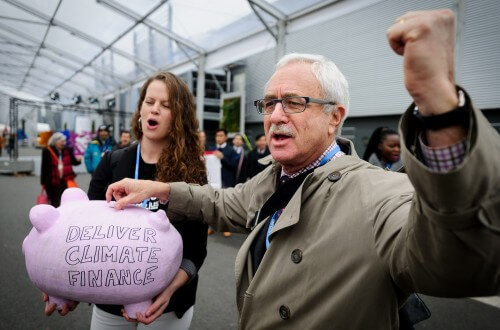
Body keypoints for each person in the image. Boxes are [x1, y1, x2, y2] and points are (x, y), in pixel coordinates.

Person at [106, 10, 499, 329]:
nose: (274, 116)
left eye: (293, 102)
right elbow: (224, 203)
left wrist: (440, 111)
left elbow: (457, 263)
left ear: (334, 118)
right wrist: (159, 190)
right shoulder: (275, 178)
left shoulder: (380, 191)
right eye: (268, 103)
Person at [43, 72, 209, 329]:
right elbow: (83, 232)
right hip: (110, 301)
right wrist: (70, 286)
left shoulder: (192, 172)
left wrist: (168, 291)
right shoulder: (112, 162)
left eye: (166, 106)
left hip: (167, 305)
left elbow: (196, 248)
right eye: (149, 101)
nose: (155, 109)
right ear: (140, 109)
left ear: (179, 117)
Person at [40, 132, 81, 207]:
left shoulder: (67, 150)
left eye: (64, 141)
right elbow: (44, 168)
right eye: (61, 141)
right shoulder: (47, 151)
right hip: (52, 181)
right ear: (55, 141)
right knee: (54, 202)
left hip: (65, 180)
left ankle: (64, 216)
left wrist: (79, 160)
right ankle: (55, 217)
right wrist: (43, 182)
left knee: (65, 200)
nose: (63, 143)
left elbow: (74, 162)